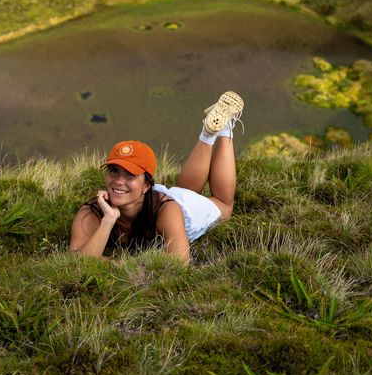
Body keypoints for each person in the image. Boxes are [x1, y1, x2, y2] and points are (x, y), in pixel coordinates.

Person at [69, 91, 244, 264]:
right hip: (156, 199)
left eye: (130, 175)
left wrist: (113, 263)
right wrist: (108, 220)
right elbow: (77, 263)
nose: (118, 181)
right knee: (185, 191)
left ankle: (225, 128)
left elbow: (179, 264)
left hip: (182, 210)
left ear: (146, 185)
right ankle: (207, 134)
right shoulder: (92, 211)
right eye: (114, 171)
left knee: (224, 205)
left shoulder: (168, 210)